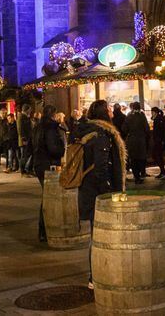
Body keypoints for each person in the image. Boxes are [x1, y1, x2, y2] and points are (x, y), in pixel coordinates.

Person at [78, 99, 126, 288]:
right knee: (99, 236)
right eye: (109, 109)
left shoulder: (90, 130)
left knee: (97, 234)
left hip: (90, 190)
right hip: (98, 192)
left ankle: (98, 274)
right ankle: (96, 276)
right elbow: (101, 167)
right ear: (104, 113)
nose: (112, 112)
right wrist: (108, 194)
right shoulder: (101, 134)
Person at [33, 104, 67, 242]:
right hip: (49, 163)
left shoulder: (37, 127)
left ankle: (44, 229)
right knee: (48, 196)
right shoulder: (51, 128)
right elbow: (53, 148)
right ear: (53, 115)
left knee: (46, 195)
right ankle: (45, 229)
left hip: (39, 163)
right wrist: (61, 151)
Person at [124, 101, 151, 184]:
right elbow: (147, 128)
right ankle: (141, 173)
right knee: (141, 158)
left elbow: (124, 128)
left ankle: (136, 177)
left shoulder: (129, 116)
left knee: (133, 159)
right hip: (141, 140)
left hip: (132, 140)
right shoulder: (142, 116)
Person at [150, 107, 165, 180]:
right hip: (159, 140)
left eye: (152, 112)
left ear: (155, 112)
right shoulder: (159, 118)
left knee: (156, 155)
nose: (151, 113)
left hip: (159, 140)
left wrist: (162, 139)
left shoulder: (158, 119)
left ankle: (163, 171)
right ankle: (163, 171)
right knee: (157, 155)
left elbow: (161, 130)